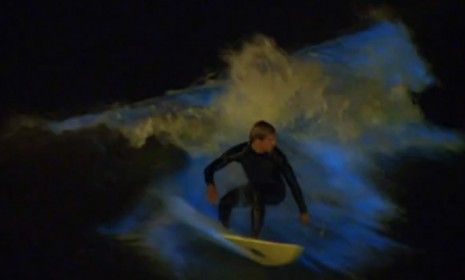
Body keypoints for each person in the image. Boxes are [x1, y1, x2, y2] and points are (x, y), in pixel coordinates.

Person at [203, 120, 311, 238]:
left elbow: (292, 182)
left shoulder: (277, 157)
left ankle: (255, 238)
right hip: (254, 188)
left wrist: (303, 210)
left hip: (276, 192)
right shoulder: (242, 152)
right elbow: (210, 168)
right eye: (270, 140)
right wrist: (210, 185)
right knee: (225, 201)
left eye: (274, 139)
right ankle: (224, 231)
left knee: (256, 191)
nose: (274, 143)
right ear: (258, 140)